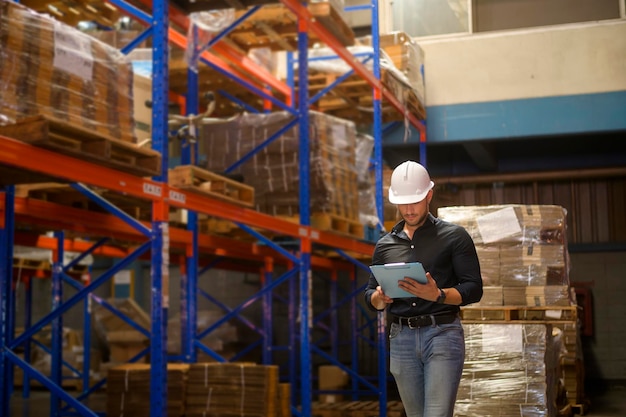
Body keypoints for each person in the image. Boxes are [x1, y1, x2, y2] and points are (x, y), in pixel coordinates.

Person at [364, 160, 483, 417]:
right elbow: (369, 294)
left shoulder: (455, 237)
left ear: (429, 194)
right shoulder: (384, 245)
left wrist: (438, 294)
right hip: (401, 338)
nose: (408, 209)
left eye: (415, 201)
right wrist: (379, 298)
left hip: (442, 334)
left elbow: (474, 288)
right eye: (402, 203)